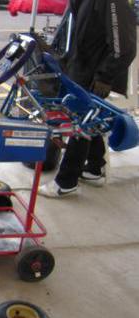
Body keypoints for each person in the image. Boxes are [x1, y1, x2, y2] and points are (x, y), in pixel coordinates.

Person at [39, 0, 136, 198]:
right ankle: (95, 168)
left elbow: (124, 47)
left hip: (96, 76)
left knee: (81, 122)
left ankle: (66, 183)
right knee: (86, 119)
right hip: (81, 68)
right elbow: (81, 36)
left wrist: (104, 77)